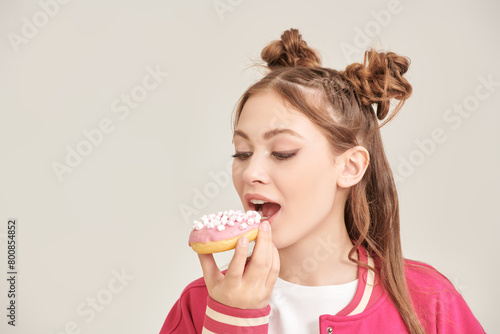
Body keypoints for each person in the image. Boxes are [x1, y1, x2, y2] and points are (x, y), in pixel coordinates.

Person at [159, 28, 486, 334]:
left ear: (349, 167)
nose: (249, 173)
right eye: (242, 153)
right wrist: (228, 321)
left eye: (282, 152)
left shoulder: (428, 302)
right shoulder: (201, 304)